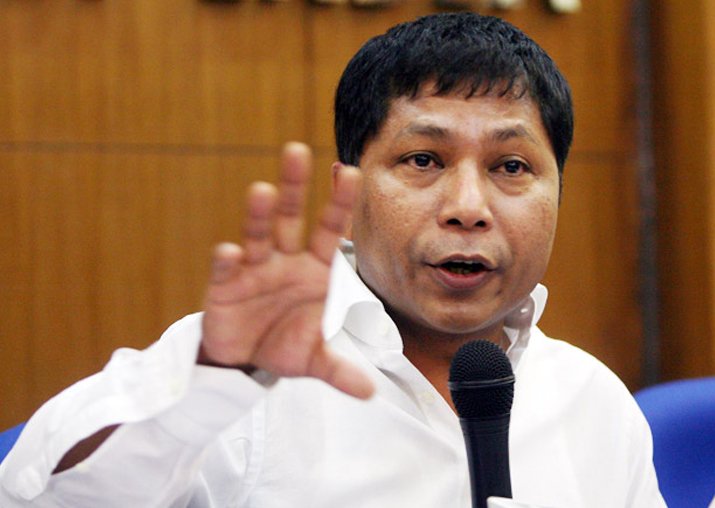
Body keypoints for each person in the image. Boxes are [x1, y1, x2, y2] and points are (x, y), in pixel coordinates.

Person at [0, 12, 665, 507]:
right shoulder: (240, 370)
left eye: (511, 166)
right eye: (423, 160)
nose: (468, 207)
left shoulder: (595, 403)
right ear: (348, 188)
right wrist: (204, 392)